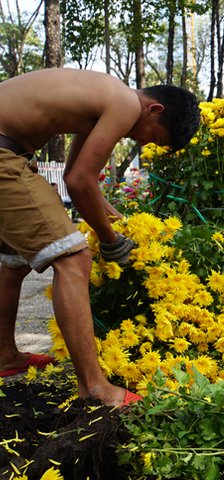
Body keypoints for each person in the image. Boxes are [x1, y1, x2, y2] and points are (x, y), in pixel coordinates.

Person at [0, 68, 200, 407]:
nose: (144, 143)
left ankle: (5, 355)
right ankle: (95, 387)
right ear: (155, 110)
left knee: (16, 260)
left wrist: (114, 220)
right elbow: (80, 182)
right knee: (74, 258)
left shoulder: (106, 94)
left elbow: (76, 177)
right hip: (4, 155)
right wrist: (113, 243)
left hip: (12, 150)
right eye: (154, 138)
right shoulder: (125, 103)